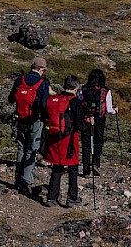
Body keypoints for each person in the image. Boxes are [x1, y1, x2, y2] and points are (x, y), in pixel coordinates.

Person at [8, 56, 50, 195]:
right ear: (40, 69)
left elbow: (10, 99)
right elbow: (44, 105)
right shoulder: (43, 83)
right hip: (35, 120)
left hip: (20, 118)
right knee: (32, 149)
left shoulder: (20, 79)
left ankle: (18, 177)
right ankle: (26, 179)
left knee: (21, 146)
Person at [42, 75, 85, 207]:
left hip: (54, 138)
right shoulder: (75, 102)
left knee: (57, 167)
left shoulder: (53, 99)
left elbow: (45, 116)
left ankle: (52, 197)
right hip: (70, 138)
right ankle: (72, 197)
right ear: (76, 88)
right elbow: (80, 124)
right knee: (72, 168)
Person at [80, 68, 118, 176]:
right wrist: (115, 111)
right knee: (98, 141)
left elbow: (80, 103)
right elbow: (109, 109)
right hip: (100, 119)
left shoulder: (84, 89)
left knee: (86, 143)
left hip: (86, 119)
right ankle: (96, 164)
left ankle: (86, 169)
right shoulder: (106, 91)